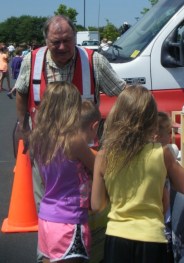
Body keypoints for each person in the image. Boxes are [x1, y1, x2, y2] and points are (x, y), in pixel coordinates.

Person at [15, 14, 126, 212]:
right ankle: (53, 237)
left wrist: (114, 129)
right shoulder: (30, 61)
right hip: (45, 154)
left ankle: (80, 238)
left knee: (87, 208)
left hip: (84, 153)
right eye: (55, 42)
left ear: (75, 38)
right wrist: (24, 129)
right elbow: (21, 93)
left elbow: (123, 94)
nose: (62, 47)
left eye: (67, 41)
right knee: (47, 207)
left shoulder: (94, 61)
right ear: (46, 41)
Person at [91, 85, 184, 263]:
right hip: (152, 237)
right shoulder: (163, 153)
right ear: (152, 119)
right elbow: (183, 187)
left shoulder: (103, 156)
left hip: (116, 236)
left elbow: (97, 205)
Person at [29, 81, 95, 263]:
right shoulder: (74, 141)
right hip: (69, 220)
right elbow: (98, 167)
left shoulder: (38, 139)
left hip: (47, 217)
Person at [155, 111, 184, 263]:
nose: (171, 137)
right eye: (168, 133)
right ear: (157, 136)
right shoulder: (165, 154)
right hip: (160, 225)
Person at [79, 100, 109, 263]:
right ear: (95, 126)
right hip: (97, 223)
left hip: (71, 221)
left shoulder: (63, 153)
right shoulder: (97, 157)